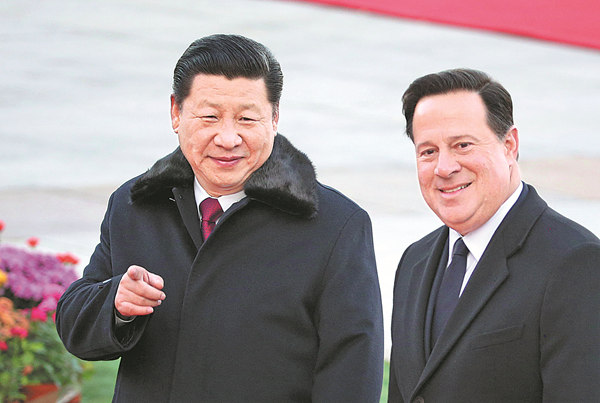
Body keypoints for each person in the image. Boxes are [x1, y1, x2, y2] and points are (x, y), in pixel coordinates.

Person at [56, 34, 384, 402]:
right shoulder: (135, 205)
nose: (228, 138)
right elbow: (75, 327)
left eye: (247, 118)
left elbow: (352, 373)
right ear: (176, 113)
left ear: (274, 117)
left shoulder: (336, 225)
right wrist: (116, 303)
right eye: (210, 117)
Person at [388, 68, 600, 402]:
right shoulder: (414, 261)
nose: (444, 167)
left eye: (462, 145)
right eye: (428, 151)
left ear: (509, 145)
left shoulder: (576, 262)